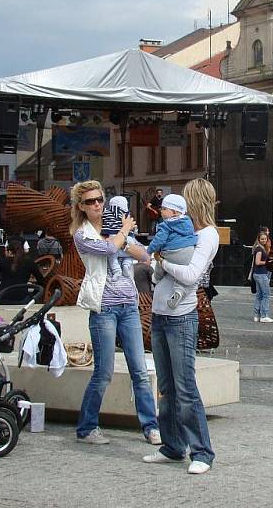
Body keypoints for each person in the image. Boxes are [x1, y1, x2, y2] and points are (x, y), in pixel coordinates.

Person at [69, 180, 161, 446]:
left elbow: (142, 255)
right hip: (104, 307)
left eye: (100, 199)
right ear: (81, 207)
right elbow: (109, 249)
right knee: (104, 371)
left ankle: (150, 426)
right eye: (90, 202)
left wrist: (124, 238)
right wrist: (124, 231)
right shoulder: (82, 234)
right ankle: (87, 427)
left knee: (139, 369)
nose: (97, 204)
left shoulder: (113, 229)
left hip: (129, 305)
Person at [143, 178, 219, 475]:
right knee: (166, 386)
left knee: (185, 387)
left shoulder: (208, 235)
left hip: (182, 317)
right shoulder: (184, 232)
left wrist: (162, 262)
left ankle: (202, 451)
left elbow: (190, 275)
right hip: (161, 313)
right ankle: (173, 446)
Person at [147, 194, 198, 309]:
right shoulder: (188, 221)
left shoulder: (165, 225)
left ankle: (156, 278)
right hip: (188, 252)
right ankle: (180, 290)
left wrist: (149, 251)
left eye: (164, 209)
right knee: (181, 277)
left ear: (175, 212)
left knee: (160, 261)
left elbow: (158, 241)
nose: (161, 211)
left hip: (172, 252)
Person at [0, 238, 45, 304]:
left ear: (9, 252)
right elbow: (41, 280)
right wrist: (33, 294)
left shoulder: (2, 262)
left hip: (4, 296)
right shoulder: (29, 262)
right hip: (22, 296)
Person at [100, 196, 138, 281]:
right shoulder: (127, 215)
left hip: (114, 238)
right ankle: (126, 265)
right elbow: (133, 227)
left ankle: (116, 271)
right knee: (130, 255)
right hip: (128, 238)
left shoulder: (106, 213)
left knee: (112, 256)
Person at [251, 232, 273, 323]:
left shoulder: (260, 248)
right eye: (262, 239)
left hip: (258, 274)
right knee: (266, 295)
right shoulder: (259, 249)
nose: (264, 240)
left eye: (265, 239)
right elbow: (257, 262)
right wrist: (267, 262)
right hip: (261, 274)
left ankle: (257, 315)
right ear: (259, 239)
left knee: (259, 295)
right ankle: (264, 315)